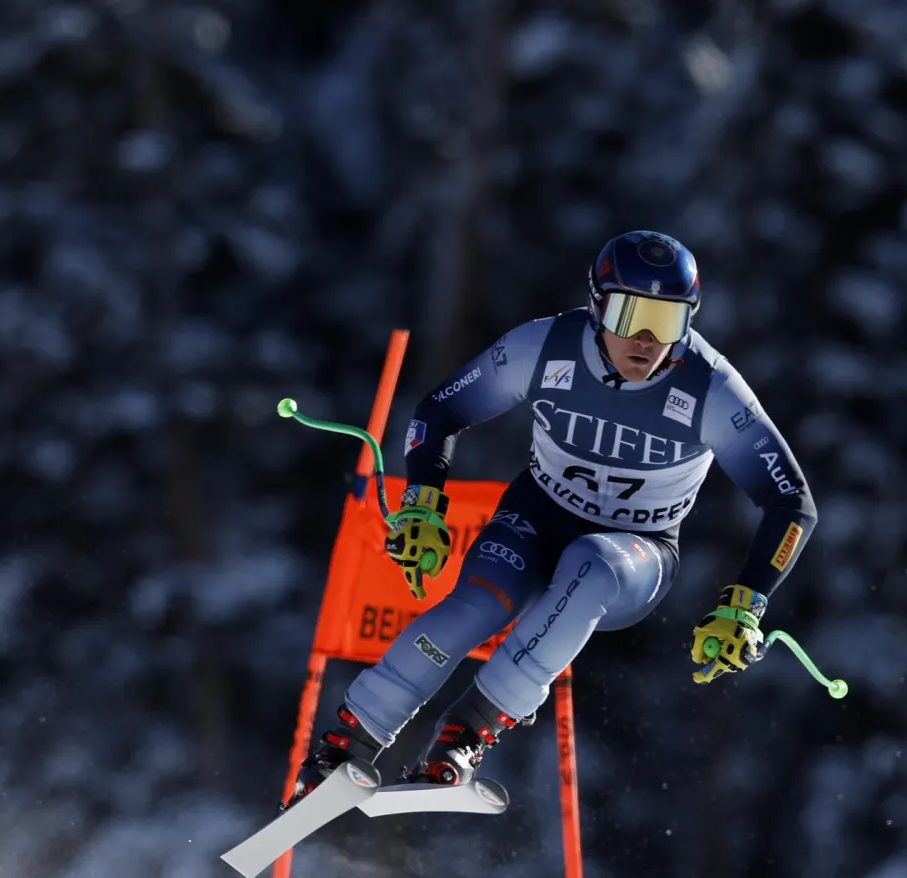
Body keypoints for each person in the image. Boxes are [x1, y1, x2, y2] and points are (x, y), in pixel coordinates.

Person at [289, 229, 817, 801]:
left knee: (592, 565)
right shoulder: (545, 347)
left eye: (666, 322)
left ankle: (466, 734)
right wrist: (423, 504)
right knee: (477, 604)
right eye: (630, 313)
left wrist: (747, 602)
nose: (645, 339)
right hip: (538, 517)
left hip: (637, 552)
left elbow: (792, 504)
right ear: (597, 304)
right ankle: (348, 742)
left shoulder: (711, 389)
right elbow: (441, 410)